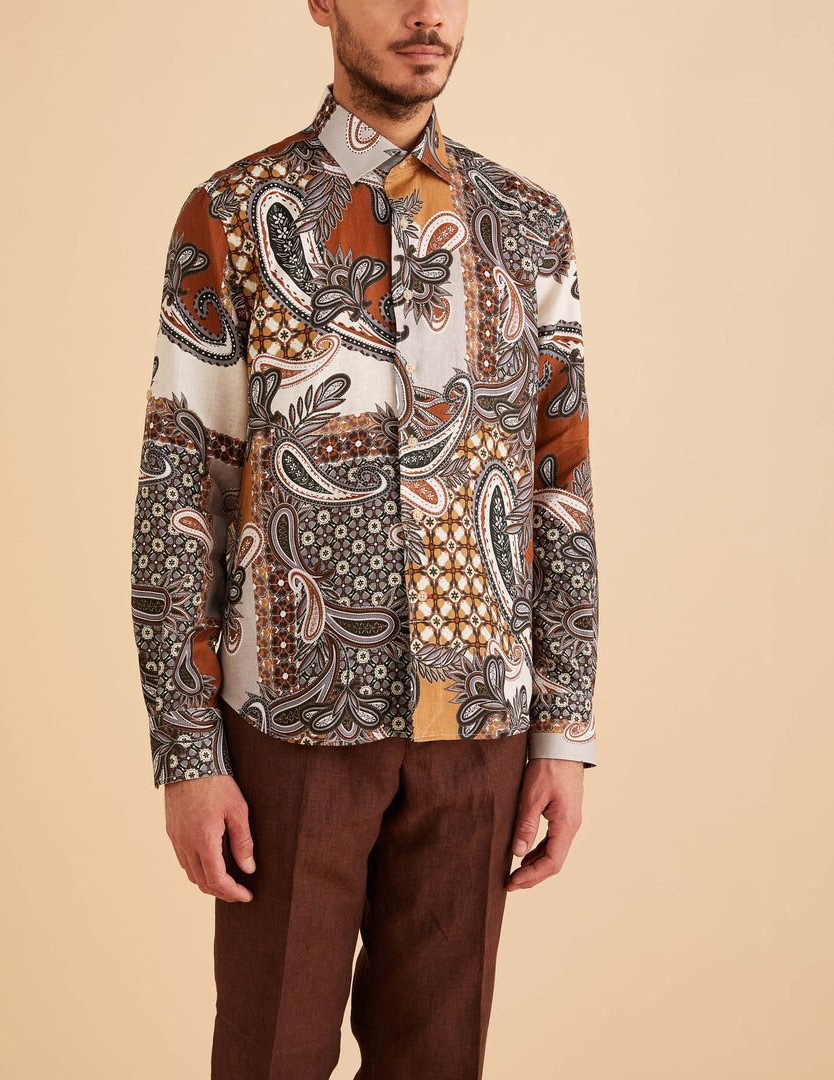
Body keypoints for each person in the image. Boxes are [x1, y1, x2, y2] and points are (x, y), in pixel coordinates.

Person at [129, 1, 600, 1075]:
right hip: (291, 727)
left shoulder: (530, 225)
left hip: (479, 730)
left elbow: (560, 486)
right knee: (271, 1054)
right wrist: (187, 752)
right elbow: (180, 494)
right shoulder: (233, 215)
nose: (426, 13)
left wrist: (563, 733)